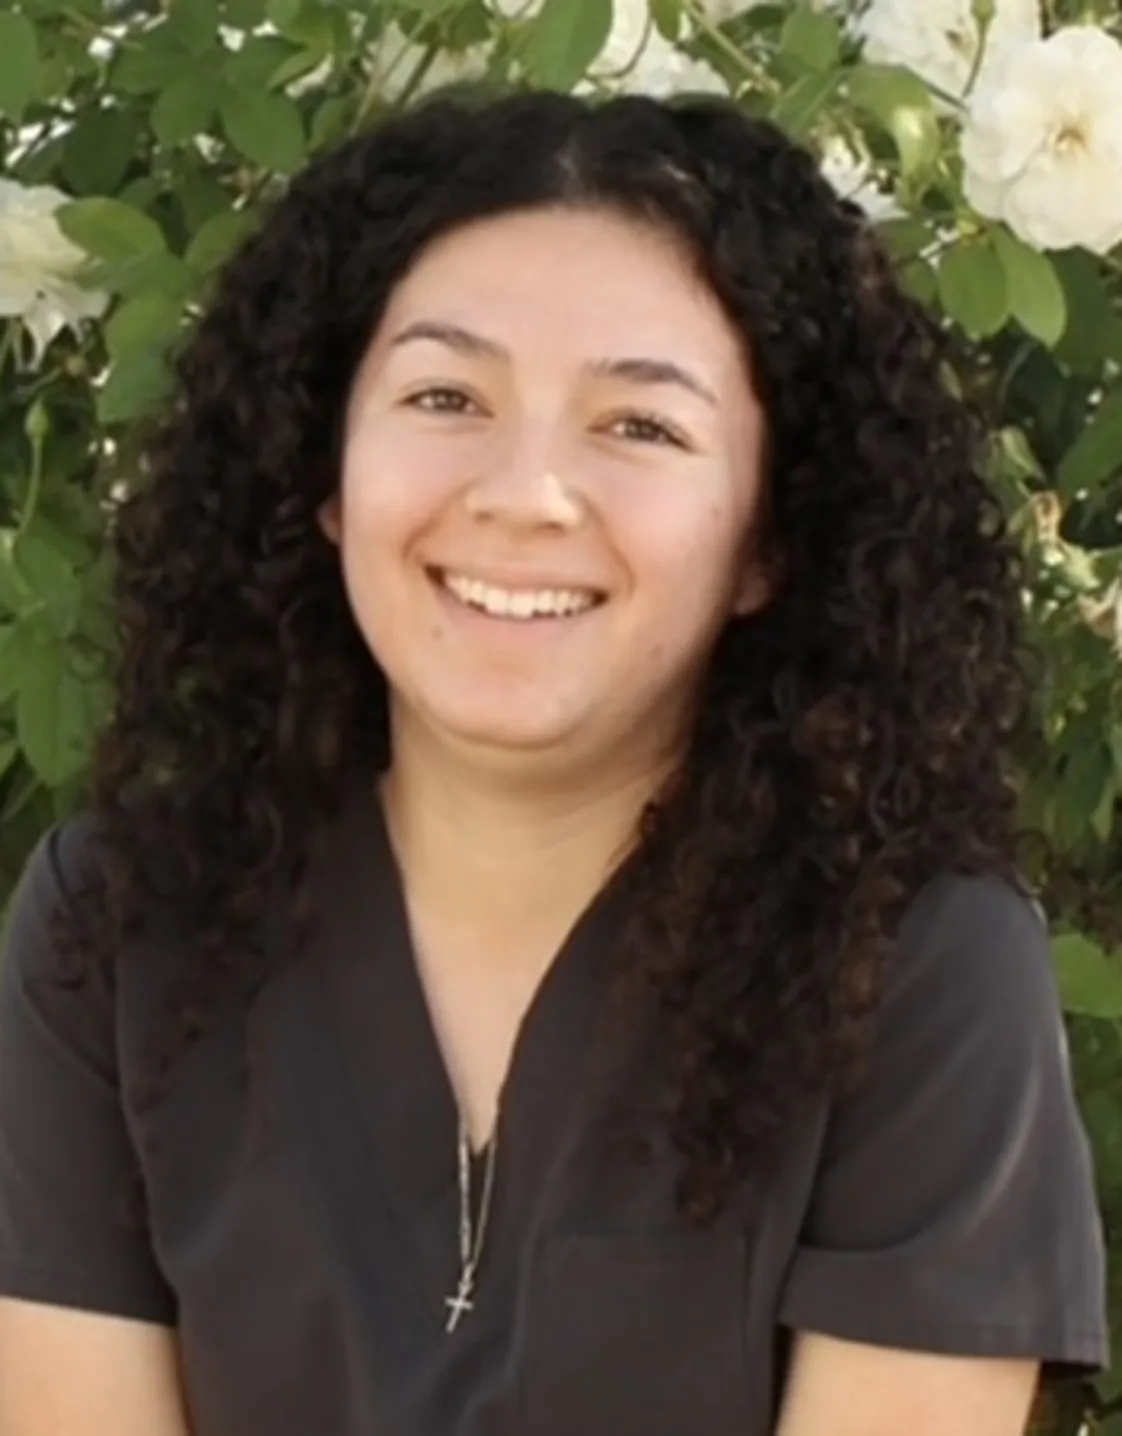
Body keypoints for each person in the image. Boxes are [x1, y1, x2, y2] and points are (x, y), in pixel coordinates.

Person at [0, 85, 1108, 1436]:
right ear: (327, 471)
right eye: (443, 394)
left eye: (640, 424)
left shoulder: (915, 970)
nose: (523, 491)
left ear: (769, 534)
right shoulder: (118, 928)